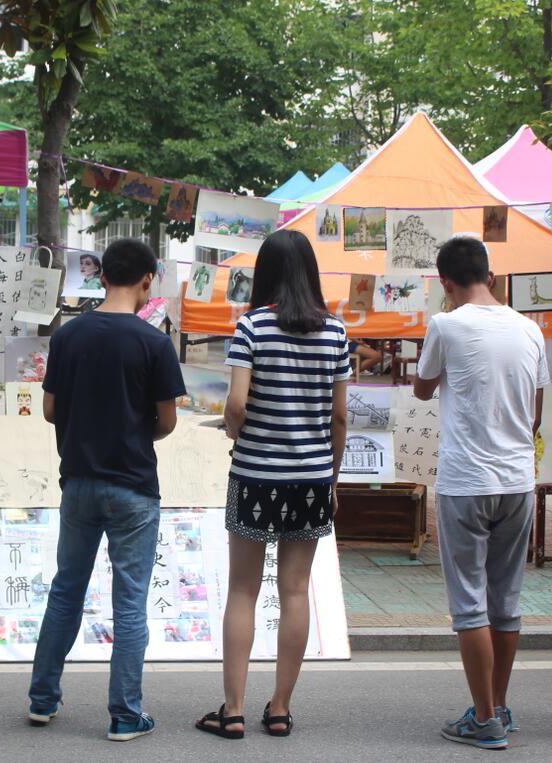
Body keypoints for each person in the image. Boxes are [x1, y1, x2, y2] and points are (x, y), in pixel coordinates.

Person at [28, 238, 185, 743]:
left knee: (66, 590)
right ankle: (124, 714)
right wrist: (134, 433)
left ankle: (42, 699)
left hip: (77, 481)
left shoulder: (69, 336)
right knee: (130, 602)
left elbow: (50, 410)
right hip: (134, 487)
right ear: (147, 279)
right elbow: (167, 421)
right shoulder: (154, 343)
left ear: (102, 276)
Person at [196, 229, 350, 740]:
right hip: (311, 478)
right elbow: (340, 418)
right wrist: (331, 477)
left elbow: (236, 405)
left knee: (243, 590)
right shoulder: (335, 332)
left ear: (264, 273)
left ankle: (233, 709)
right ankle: (280, 708)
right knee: (296, 590)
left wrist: (236, 432)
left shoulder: (252, 326)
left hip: (256, 475)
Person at [413, 237, 549, 750]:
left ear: (445, 283)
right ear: (490, 277)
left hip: (466, 481)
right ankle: (499, 706)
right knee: (505, 601)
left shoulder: (445, 324)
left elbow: (423, 388)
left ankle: (485, 719)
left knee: (469, 603)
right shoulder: (530, 329)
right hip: (518, 481)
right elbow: (535, 412)